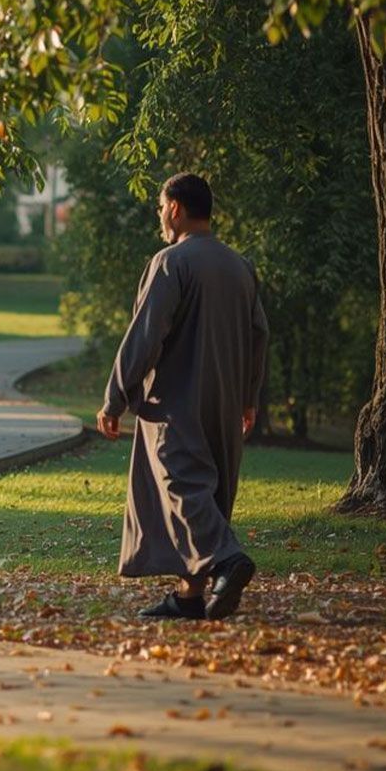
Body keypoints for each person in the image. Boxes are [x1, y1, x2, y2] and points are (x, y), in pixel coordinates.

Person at [95, 172, 267, 620]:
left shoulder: (172, 262)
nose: (159, 216)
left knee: (181, 486)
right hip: (226, 399)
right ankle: (189, 596)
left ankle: (227, 561)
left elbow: (145, 337)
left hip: (177, 399)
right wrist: (248, 398)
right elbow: (258, 336)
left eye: (159, 207)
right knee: (207, 492)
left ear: (175, 208)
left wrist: (115, 397)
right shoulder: (239, 266)